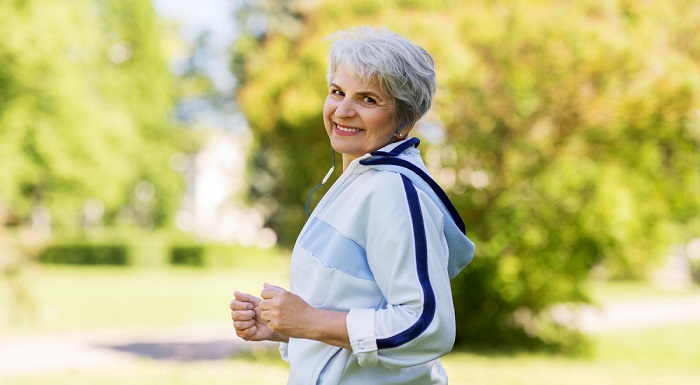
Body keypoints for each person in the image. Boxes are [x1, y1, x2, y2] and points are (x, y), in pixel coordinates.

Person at [230, 26, 475, 385]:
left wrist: (310, 321)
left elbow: (425, 326)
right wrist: (287, 327)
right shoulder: (361, 180)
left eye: (368, 99)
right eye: (337, 92)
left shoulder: (391, 189)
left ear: (403, 119)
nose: (342, 110)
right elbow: (357, 306)